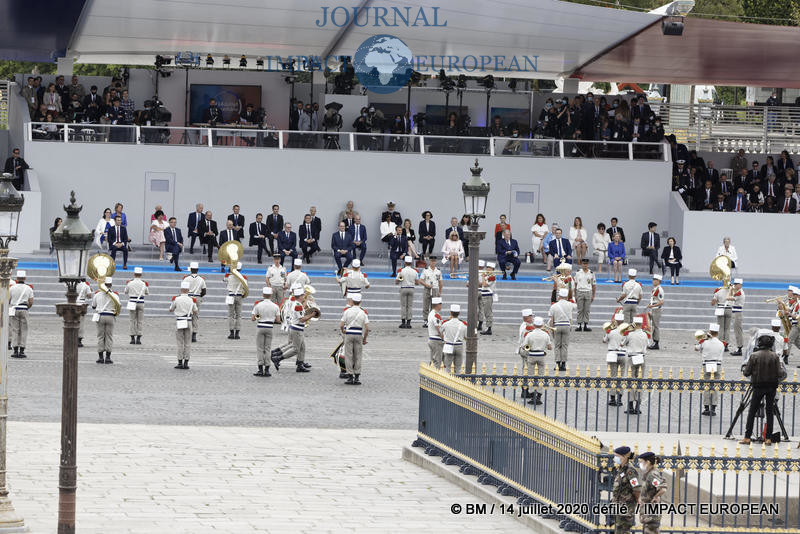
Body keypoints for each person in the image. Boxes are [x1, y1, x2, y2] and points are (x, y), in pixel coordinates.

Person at [271, 286, 316, 373]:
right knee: (296, 349)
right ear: (300, 296)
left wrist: (307, 303)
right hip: (297, 329)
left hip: (296, 328)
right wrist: (312, 315)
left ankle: (300, 364)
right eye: (303, 295)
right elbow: (302, 319)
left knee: (302, 347)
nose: (304, 296)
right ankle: (278, 358)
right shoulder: (298, 306)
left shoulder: (297, 304)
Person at [251, 286, 281, 377]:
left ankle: (260, 369)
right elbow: (278, 320)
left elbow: (253, 318)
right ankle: (267, 369)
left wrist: (259, 316)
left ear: (263, 295)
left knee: (260, 349)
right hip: (269, 327)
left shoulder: (258, 305)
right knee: (267, 348)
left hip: (260, 326)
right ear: (271, 295)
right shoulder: (275, 306)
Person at [340, 292, 369, 385]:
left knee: (348, 355)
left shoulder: (347, 311)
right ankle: (357, 376)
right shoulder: (363, 312)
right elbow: (367, 328)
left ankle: (350, 376)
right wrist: (364, 338)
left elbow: (341, 325)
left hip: (349, 334)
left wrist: (343, 331)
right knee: (358, 356)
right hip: (359, 334)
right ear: (360, 301)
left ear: (352, 301)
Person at [695, 323, 724, 416]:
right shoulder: (721, 343)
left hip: (707, 363)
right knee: (715, 386)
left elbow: (696, 348)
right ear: (717, 333)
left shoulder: (704, 342)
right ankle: (714, 407)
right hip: (717, 364)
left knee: (707, 386)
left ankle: (706, 407)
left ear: (710, 331)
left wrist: (703, 339)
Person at [522, 317, 552, 406]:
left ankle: (532, 394)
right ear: (542, 325)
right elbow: (550, 347)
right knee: (541, 376)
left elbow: (525, 346)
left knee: (530, 375)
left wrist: (529, 349)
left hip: (532, 355)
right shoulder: (545, 334)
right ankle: (539, 395)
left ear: (534, 325)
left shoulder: (530, 334)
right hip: (541, 355)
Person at [610, 446, 640, 534]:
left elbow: (636, 488)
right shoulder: (621, 469)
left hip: (626, 506)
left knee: (623, 530)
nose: (615, 458)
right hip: (619, 505)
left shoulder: (630, 470)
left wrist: (636, 501)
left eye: (617, 456)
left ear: (624, 457)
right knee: (619, 530)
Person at [622, 316, 648, 414]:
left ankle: (630, 406)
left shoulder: (630, 334)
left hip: (632, 358)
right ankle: (637, 406)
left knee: (630, 381)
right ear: (641, 325)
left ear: (633, 324)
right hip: (641, 357)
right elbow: (648, 345)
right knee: (639, 382)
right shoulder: (645, 334)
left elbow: (622, 343)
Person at [170, 279, 198, 370]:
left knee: (180, 342)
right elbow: (195, 311)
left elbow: (171, 309)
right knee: (187, 342)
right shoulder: (192, 300)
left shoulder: (177, 299)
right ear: (188, 290)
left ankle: (179, 361)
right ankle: (186, 362)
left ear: (181, 289)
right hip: (188, 321)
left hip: (180, 321)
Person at [637, 451, 667, 534]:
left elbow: (663, 488)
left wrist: (656, 497)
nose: (640, 464)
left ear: (648, 462)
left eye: (642, 462)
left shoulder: (652, 475)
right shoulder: (649, 474)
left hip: (651, 513)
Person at [91, 277, 119, 364]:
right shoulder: (115, 295)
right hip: (110, 316)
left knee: (100, 336)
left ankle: (100, 357)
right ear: (111, 285)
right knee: (109, 337)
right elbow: (118, 306)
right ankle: (108, 357)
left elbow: (93, 306)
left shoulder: (97, 294)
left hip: (100, 316)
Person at [549, 288, 576, 371]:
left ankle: (557, 363)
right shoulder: (570, 304)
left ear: (559, 296)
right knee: (564, 345)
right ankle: (563, 364)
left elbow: (551, 320)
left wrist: (551, 330)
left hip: (557, 325)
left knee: (557, 346)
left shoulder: (554, 306)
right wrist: (572, 298)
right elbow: (575, 306)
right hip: (567, 325)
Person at [9, 271, 33, 358]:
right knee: (24, 330)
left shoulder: (12, 288)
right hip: (24, 309)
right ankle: (22, 350)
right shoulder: (28, 288)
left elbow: (8, 299)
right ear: (25, 278)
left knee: (15, 329)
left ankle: (15, 350)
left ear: (17, 278)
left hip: (14, 309)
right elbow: (31, 302)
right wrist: (27, 308)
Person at [604, 313, 627, 405]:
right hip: (622, 354)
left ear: (615, 321)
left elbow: (604, 340)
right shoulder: (626, 331)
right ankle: (620, 398)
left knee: (612, 376)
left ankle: (612, 398)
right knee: (621, 377)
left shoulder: (610, 330)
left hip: (612, 353)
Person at [123, 267, 149, 345]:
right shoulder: (143, 283)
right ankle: (138, 338)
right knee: (140, 321)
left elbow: (125, 292)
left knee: (132, 320)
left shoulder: (130, 283)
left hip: (132, 301)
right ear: (141, 274)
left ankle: (132, 338)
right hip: (140, 301)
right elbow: (147, 292)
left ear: (134, 274)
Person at [183, 262, 206, 342]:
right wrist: (199, 297)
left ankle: (186, 333)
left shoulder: (186, 278)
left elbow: (183, 289)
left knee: (186, 315)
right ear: (197, 270)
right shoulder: (201, 279)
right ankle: (194, 334)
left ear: (191, 270)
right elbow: (204, 291)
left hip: (188, 297)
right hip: (197, 297)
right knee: (195, 316)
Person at [441, 304, 467, 372]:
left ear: (450, 313)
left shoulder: (446, 324)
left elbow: (439, 332)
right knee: (458, 367)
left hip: (449, 345)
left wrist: (444, 339)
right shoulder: (463, 325)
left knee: (448, 366)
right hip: (459, 345)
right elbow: (466, 337)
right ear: (459, 313)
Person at [224, 262, 247, 340]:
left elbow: (224, 280)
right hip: (239, 296)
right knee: (239, 315)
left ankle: (231, 332)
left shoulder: (228, 276)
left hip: (231, 295)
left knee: (231, 315)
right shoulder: (243, 277)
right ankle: (237, 333)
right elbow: (245, 288)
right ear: (240, 269)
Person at [396, 256, 419, 329]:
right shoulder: (414, 271)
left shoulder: (401, 271)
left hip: (404, 288)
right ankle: (408, 322)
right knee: (410, 306)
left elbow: (398, 281)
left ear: (405, 262)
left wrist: (401, 279)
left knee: (403, 306)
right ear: (411, 263)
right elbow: (417, 282)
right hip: (411, 288)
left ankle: (403, 322)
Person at [420, 255, 443, 326]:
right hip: (427, 288)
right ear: (429, 261)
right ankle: (425, 320)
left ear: (436, 262)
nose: (433, 262)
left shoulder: (438, 271)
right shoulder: (426, 270)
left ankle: (432, 320)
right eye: (431, 261)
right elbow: (421, 280)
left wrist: (440, 292)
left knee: (434, 306)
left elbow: (440, 282)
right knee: (425, 305)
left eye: (434, 261)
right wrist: (426, 285)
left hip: (435, 289)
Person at [574, 259, 596, 332]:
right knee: (580, 309)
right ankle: (579, 325)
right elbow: (575, 284)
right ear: (581, 264)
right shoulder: (578, 273)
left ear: (588, 264)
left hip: (588, 292)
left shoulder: (591, 273)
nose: (585, 265)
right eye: (583, 264)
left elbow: (594, 285)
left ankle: (586, 324)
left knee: (587, 310)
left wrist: (593, 295)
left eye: (586, 264)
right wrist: (575, 295)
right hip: (580, 291)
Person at [711, 281, 733, 351]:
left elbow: (713, 303)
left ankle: (721, 343)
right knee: (727, 328)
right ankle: (726, 344)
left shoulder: (718, 290)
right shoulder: (732, 290)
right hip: (729, 309)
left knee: (721, 328)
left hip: (720, 309)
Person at [477, 262, 497, 335]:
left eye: (489, 268)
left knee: (488, 312)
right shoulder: (487, 276)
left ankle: (489, 328)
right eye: (487, 267)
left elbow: (484, 284)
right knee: (485, 312)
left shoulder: (492, 276)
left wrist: (482, 277)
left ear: (493, 269)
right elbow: (481, 283)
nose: (487, 269)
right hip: (484, 295)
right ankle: (487, 327)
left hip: (488, 295)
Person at [647, 274, 665, 350]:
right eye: (653, 280)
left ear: (658, 281)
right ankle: (654, 341)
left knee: (656, 326)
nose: (653, 281)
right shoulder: (655, 289)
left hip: (657, 309)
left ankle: (656, 342)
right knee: (653, 326)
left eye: (655, 280)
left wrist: (652, 306)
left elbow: (661, 302)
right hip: (653, 309)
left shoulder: (659, 289)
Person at [427, 297, 444, 367]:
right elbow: (438, 328)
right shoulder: (435, 315)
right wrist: (443, 338)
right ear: (438, 305)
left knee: (432, 360)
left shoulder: (431, 313)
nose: (441, 306)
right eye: (440, 304)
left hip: (432, 339)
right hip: (436, 340)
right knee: (437, 361)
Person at [730, 278, 746, 356]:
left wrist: (730, 290)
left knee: (738, 331)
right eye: (734, 284)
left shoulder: (739, 292)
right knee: (737, 331)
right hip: (736, 313)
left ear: (740, 285)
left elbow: (729, 297)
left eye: (736, 284)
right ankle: (738, 347)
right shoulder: (737, 291)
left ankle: (739, 348)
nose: (734, 286)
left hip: (737, 313)